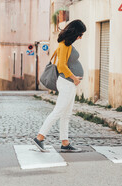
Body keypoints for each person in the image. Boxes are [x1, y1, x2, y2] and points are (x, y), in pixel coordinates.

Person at [32, 19, 86, 152]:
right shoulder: (64, 46)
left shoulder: (67, 44)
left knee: (66, 115)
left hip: (70, 83)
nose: (81, 37)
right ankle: (39, 138)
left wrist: (74, 79)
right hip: (67, 83)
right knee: (58, 112)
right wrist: (74, 78)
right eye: (80, 34)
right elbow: (61, 66)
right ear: (74, 33)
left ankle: (65, 143)